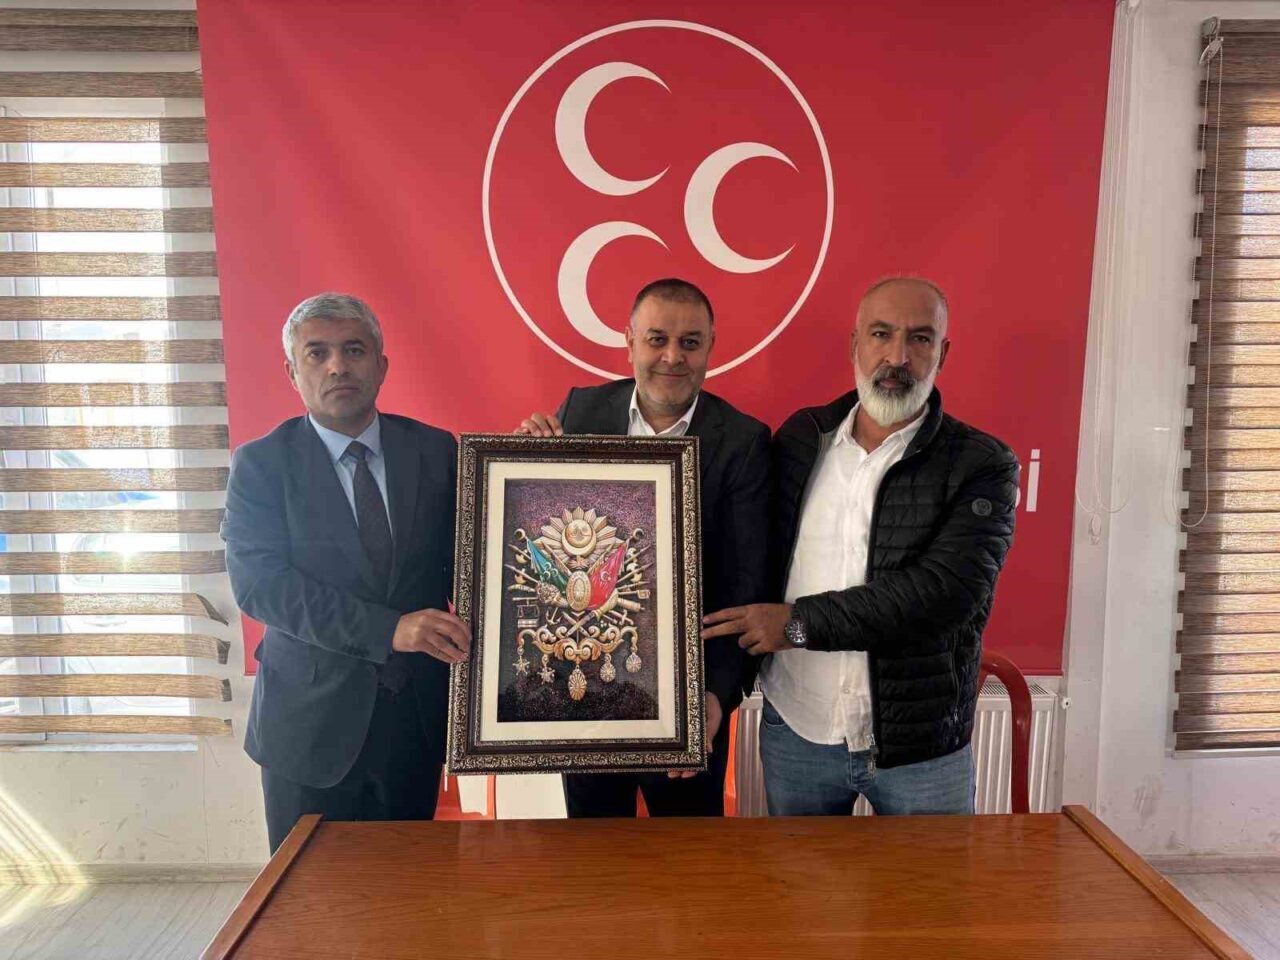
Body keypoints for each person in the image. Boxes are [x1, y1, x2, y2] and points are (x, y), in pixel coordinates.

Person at [702, 277, 1018, 816]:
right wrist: (563, 449)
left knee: (931, 876)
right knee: (799, 875)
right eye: (881, 334)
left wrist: (798, 624)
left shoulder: (981, 464)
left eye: (919, 339)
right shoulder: (802, 438)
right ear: (855, 345)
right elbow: (734, 537)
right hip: (798, 731)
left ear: (942, 354)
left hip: (920, 750)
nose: (897, 357)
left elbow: (944, 594)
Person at [222, 292, 470, 851]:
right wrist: (389, 629)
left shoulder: (437, 452)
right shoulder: (261, 464)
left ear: (381, 365)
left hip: (414, 724)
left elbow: (475, 561)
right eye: (317, 353)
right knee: (311, 894)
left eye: (354, 350)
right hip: (308, 730)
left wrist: (531, 472)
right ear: (293, 373)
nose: (338, 366)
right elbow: (262, 587)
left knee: (411, 885)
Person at [518, 278, 770, 817]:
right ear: (629, 341)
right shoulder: (581, 412)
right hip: (586, 689)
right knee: (593, 850)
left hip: (687, 700)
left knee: (688, 854)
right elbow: (547, 539)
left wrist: (715, 695)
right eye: (657, 339)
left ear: (711, 347)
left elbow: (745, 583)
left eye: (690, 342)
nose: (673, 357)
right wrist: (522, 467)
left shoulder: (743, 440)